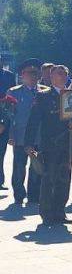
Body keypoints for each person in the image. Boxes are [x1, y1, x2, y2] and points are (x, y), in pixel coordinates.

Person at [24, 65, 72, 226]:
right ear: (51, 76)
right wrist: (28, 143)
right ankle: (46, 213)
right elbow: (34, 120)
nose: (62, 77)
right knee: (49, 179)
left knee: (64, 178)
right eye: (58, 74)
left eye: (65, 74)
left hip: (69, 143)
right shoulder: (43, 96)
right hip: (50, 143)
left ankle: (60, 211)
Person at [9, 58, 43, 206]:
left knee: (36, 166)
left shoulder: (43, 92)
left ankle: (34, 195)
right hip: (20, 136)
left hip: (39, 136)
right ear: (22, 75)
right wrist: (10, 135)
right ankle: (18, 194)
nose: (34, 76)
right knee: (19, 167)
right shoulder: (14, 92)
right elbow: (9, 115)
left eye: (36, 73)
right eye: (30, 73)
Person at [0, 63, 15, 191]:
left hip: (3, 115)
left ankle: (0, 180)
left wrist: (4, 122)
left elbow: (10, 99)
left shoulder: (9, 76)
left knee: (1, 152)